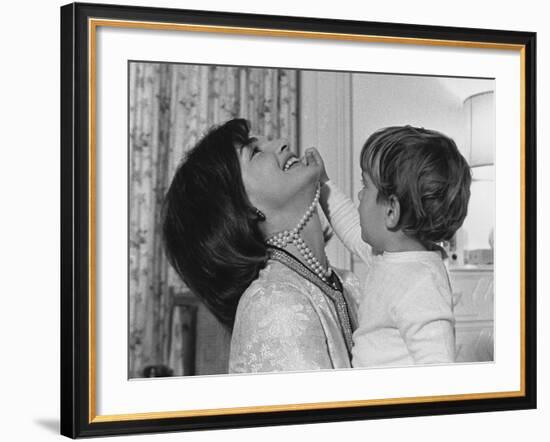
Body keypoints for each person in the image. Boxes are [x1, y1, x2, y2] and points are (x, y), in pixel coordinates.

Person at [162, 119, 362, 373]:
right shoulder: (273, 304)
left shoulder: (348, 284)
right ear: (238, 207)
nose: (284, 144)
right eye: (254, 152)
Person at [311, 125, 471, 368]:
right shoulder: (389, 254)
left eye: (365, 186)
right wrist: (323, 183)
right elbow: (352, 228)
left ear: (392, 211)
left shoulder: (421, 283)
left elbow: (438, 365)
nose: (360, 195)